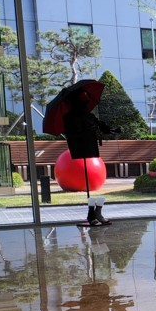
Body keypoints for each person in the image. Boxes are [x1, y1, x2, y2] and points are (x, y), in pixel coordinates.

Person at [63, 89, 114, 226]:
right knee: (84, 168)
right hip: (79, 145)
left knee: (88, 164)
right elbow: (70, 131)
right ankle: (92, 214)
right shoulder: (69, 117)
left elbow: (101, 127)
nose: (85, 104)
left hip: (89, 143)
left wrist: (106, 129)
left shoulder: (88, 116)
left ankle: (94, 213)